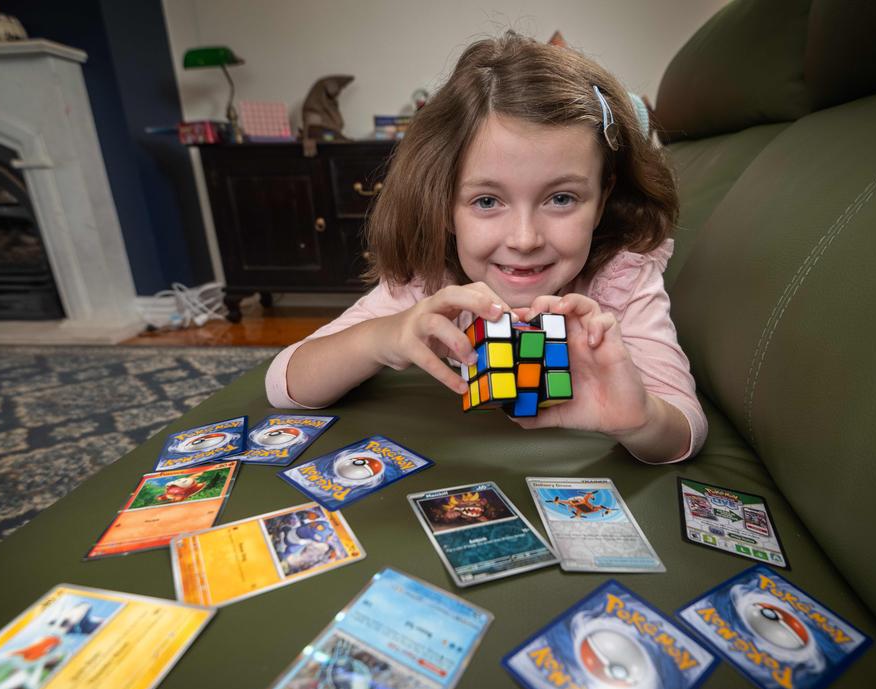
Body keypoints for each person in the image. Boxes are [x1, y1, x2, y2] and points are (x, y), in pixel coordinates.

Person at [266, 32, 707, 464]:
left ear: (603, 199)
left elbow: (686, 424)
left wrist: (641, 422)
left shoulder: (621, 280)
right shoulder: (432, 281)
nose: (524, 238)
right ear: (444, 204)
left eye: (561, 198)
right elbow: (284, 383)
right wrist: (382, 337)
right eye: (487, 201)